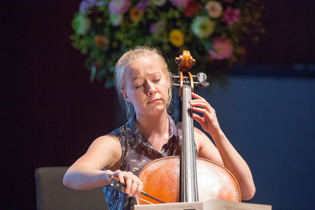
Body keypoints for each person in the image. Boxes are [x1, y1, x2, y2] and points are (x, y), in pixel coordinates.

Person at [63, 46, 256, 210]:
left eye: (156, 80)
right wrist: (110, 176)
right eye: (138, 85)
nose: (150, 89)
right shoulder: (115, 143)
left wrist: (217, 133)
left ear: (168, 81)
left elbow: (246, 190)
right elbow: (71, 176)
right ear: (126, 95)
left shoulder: (193, 138)